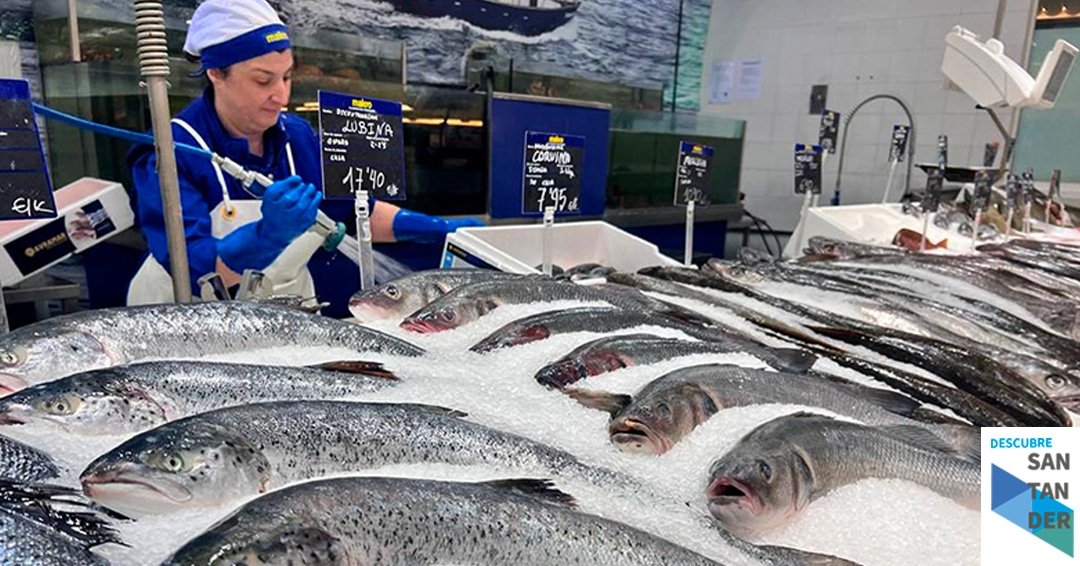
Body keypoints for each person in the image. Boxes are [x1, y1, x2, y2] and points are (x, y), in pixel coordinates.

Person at [127, 0, 482, 316]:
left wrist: (440, 229)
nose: (281, 96)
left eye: (287, 77)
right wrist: (267, 235)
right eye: (263, 80)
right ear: (216, 73)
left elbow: (352, 212)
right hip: (189, 320)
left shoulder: (297, 137)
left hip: (286, 315)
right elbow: (196, 270)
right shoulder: (170, 151)